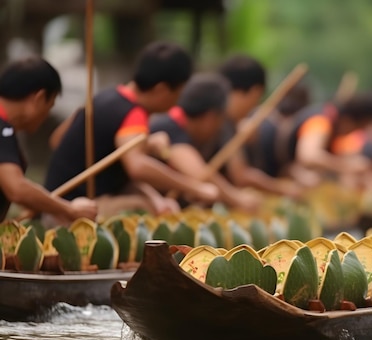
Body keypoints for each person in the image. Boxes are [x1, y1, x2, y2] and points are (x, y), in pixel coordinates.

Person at [44, 42, 217, 217]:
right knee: (143, 210)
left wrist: (156, 198)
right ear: (161, 90)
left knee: (153, 204)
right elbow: (138, 167)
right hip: (74, 208)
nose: (177, 103)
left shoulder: (103, 96)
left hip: (53, 201)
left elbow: (56, 140)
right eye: (178, 95)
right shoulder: (134, 113)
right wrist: (194, 187)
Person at [0, 57, 97, 222]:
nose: (46, 116)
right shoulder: (3, 129)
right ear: (39, 98)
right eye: (50, 105)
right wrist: (69, 210)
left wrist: (37, 203)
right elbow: (16, 188)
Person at [149, 74, 259, 211]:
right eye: (220, 120)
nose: (219, 127)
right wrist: (237, 199)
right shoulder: (171, 126)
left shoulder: (181, 125)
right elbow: (199, 173)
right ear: (210, 117)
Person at [214, 55, 300, 197]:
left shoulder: (231, 123)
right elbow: (241, 176)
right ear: (255, 91)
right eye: (257, 98)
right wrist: (282, 189)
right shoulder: (221, 120)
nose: (256, 105)